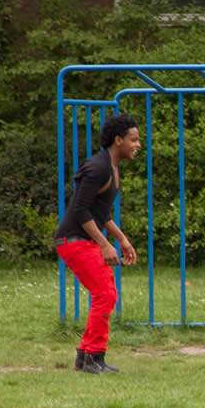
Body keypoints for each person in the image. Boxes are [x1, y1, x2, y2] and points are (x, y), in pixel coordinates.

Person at [53, 114, 141, 374]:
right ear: (118, 140)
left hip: (84, 239)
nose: (137, 145)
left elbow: (100, 213)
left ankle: (85, 356)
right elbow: (80, 210)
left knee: (106, 292)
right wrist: (105, 244)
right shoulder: (97, 168)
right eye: (133, 140)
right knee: (104, 294)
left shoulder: (112, 167)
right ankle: (93, 357)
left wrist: (121, 239)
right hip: (73, 239)